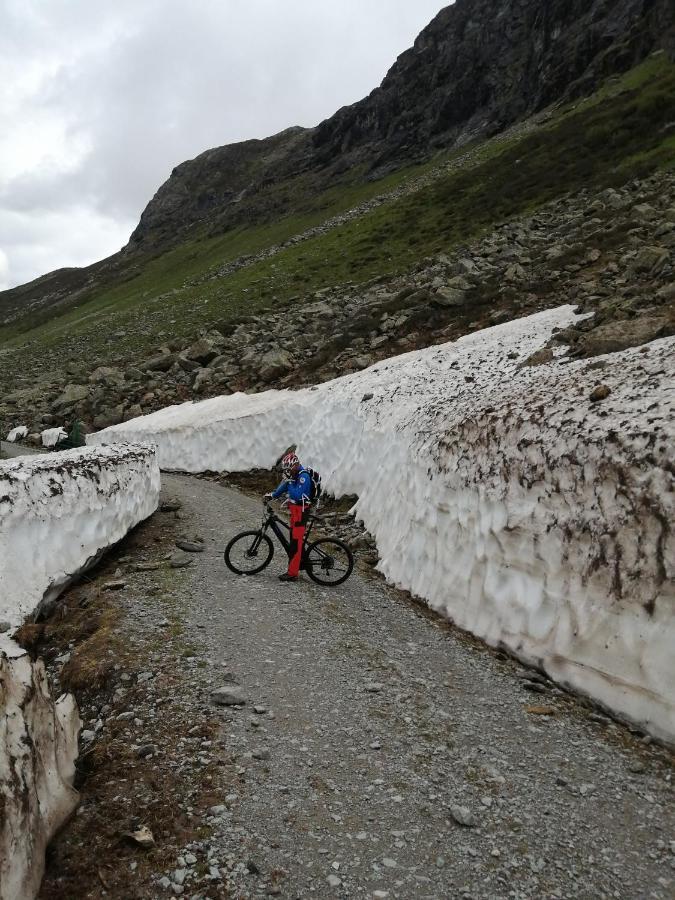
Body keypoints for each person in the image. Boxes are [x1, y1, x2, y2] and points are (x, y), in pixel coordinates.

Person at [265, 452, 314, 582]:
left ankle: (292, 573)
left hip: (301, 511)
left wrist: (290, 481)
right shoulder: (294, 474)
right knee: (295, 540)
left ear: (295, 465)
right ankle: (302, 562)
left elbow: (297, 495)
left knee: (295, 544)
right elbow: (284, 486)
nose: (287, 471)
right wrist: (272, 495)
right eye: (286, 469)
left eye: (288, 468)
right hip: (295, 511)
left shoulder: (303, 476)